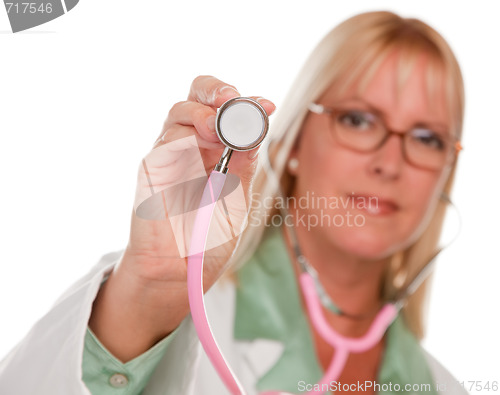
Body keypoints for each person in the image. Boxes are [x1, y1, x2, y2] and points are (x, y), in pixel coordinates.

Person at [0, 10, 468, 395]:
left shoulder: (446, 388)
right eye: (360, 120)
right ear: (294, 144)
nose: (390, 162)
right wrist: (152, 289)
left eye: (427, 138)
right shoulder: (176, 315)